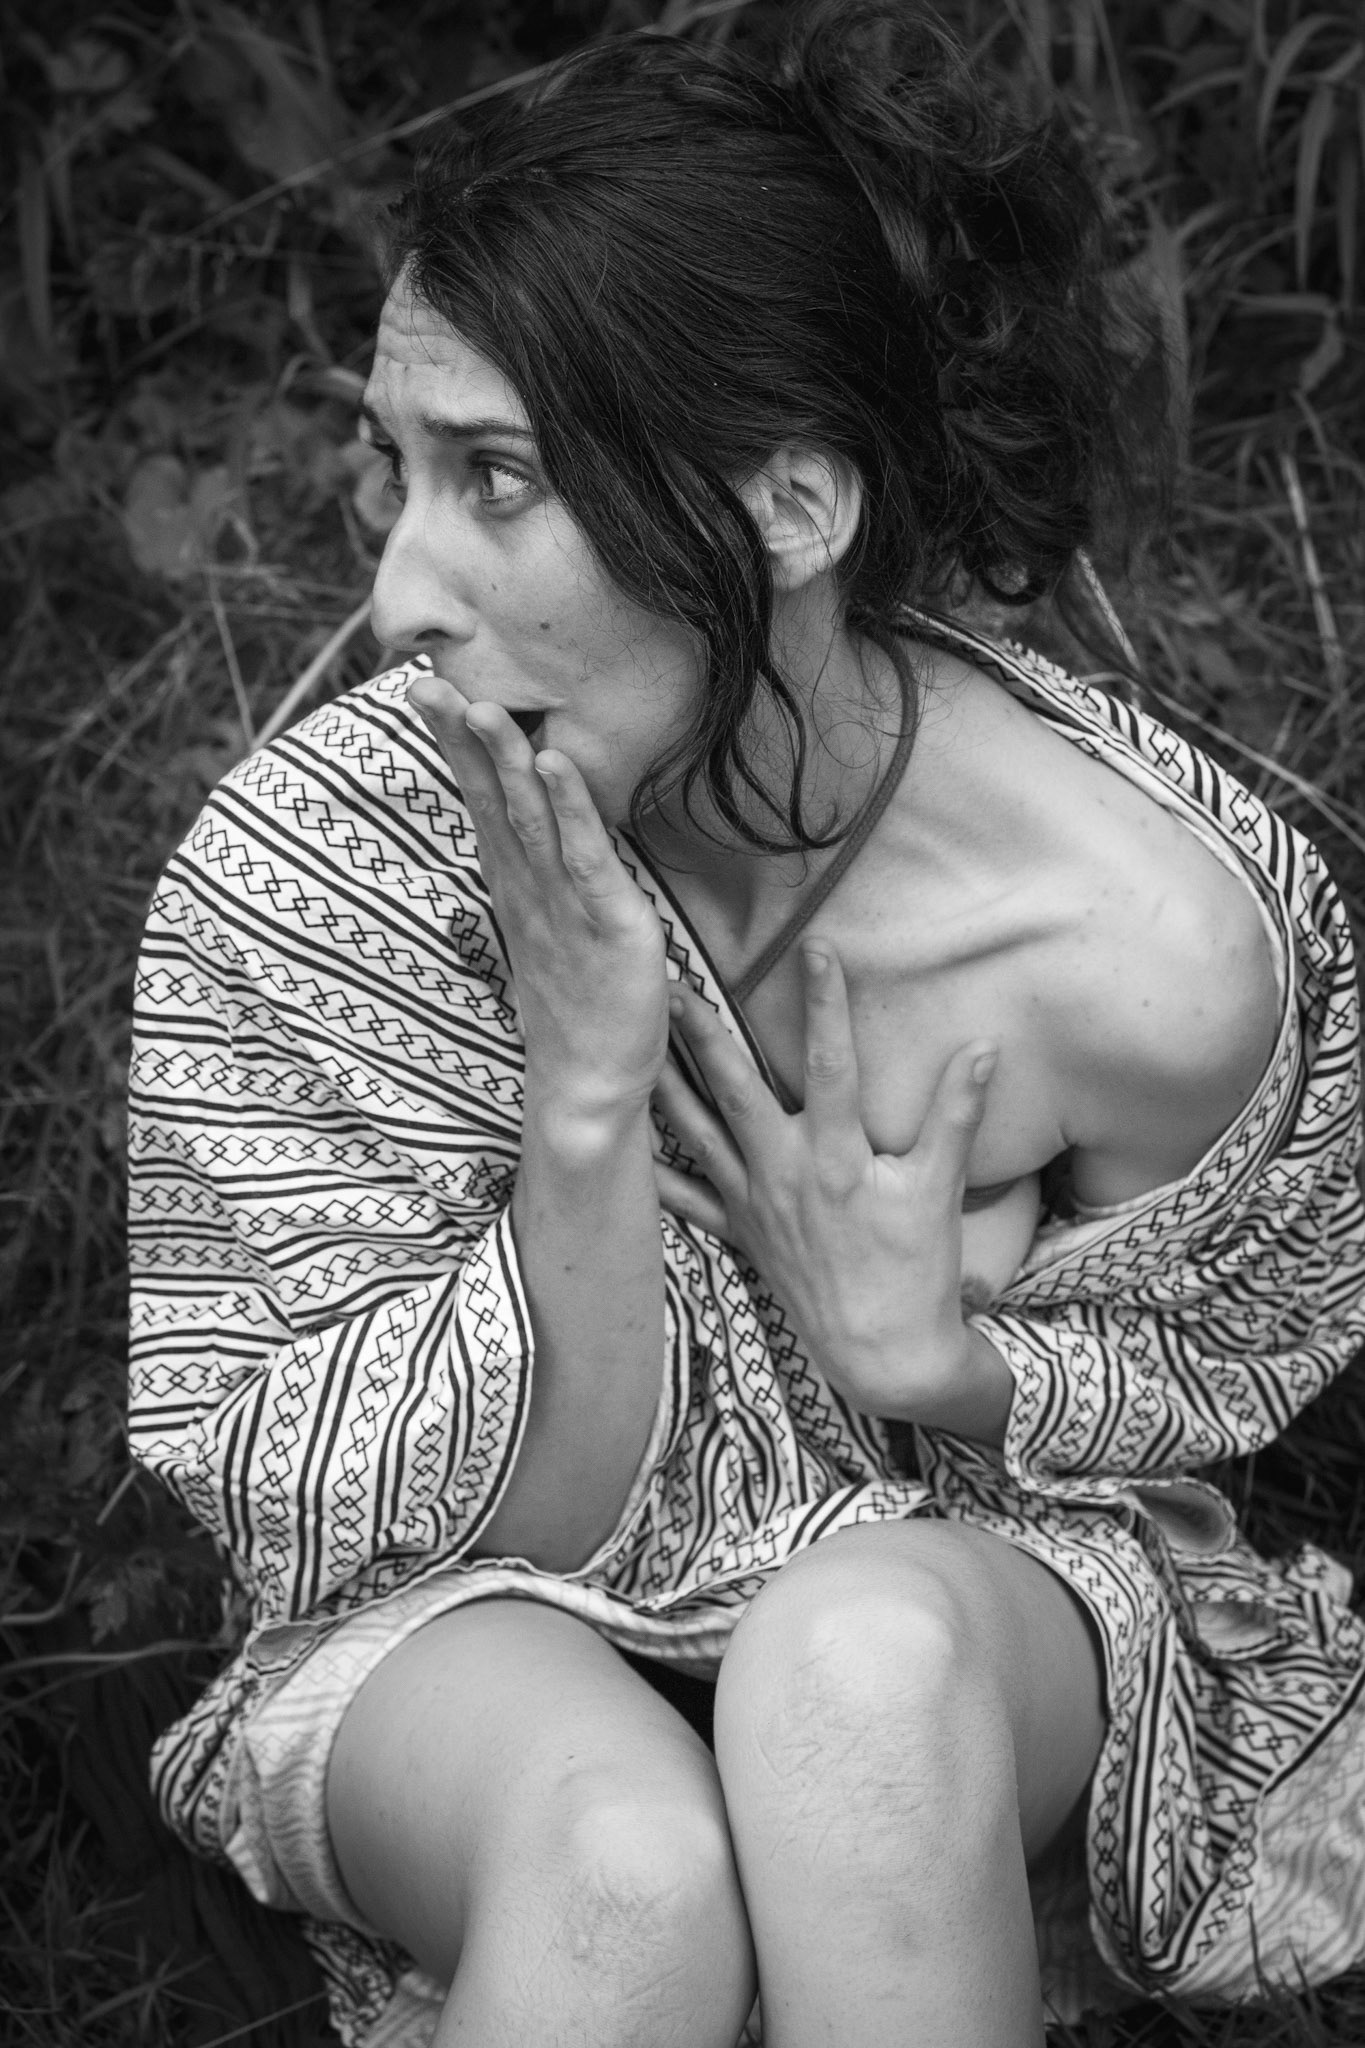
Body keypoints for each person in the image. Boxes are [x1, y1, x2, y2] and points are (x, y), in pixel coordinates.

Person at [126, 8, 1365, 2046]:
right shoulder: (317, 863)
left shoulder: (1143, 949)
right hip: (465, 1621)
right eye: (393, 472)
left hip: (955, 1588)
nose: (402, 592)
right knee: (627, 1861)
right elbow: (461, 1529)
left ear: (791, 508)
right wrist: (584, 1103)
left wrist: (932, 1363)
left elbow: (1199, 1375)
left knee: (853, 1676)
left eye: (496, 480)